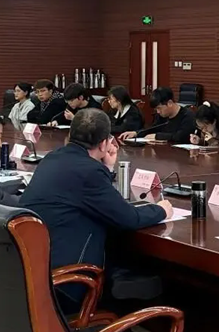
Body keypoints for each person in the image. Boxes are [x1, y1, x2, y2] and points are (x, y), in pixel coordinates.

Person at [20, 109, 172, 312]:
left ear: (70, 135)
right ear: (103, 144)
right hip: (67, 284)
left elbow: (94, 198)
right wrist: (161, 210)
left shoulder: (53, 158)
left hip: (33, 274)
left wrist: (106, 168)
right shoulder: (89, 171)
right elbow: (128, 218)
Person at [118, 87, 196, 144]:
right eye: (156, 109)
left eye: (159, 108)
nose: (158, 112)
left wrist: (157, 136)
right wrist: (136, 133)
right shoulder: (161, 116)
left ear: (170, 103)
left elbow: (181, 136)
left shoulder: (188, 116)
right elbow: (153, 128)